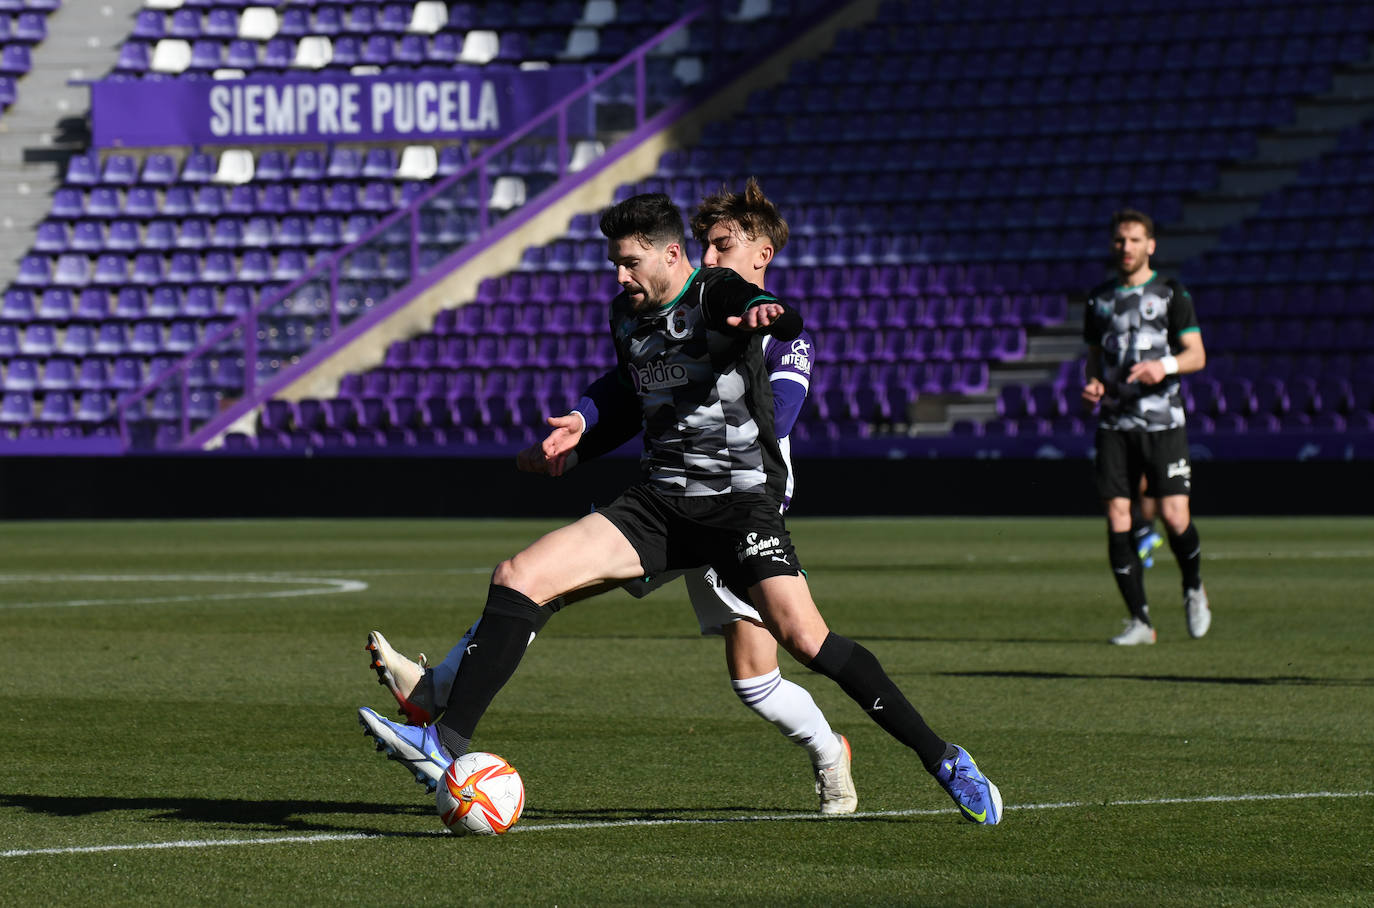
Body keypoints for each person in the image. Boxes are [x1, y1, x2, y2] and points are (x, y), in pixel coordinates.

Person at [358, 191, 1002, 824]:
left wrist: (766, 313)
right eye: (615, 262)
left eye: (631, 262)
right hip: (659, 505)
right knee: (521, 576)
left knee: (806, 642)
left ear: (671, 256)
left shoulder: (715, 294)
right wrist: (578, 436)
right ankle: (440, 741)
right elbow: (626, 396)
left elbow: (766, 313)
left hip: (740, 508)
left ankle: (942, 758)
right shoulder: (626, 315)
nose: (620, 275)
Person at [1081, 208, 1211, 646]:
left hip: (1163, 422)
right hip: (1115, 423)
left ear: (1150, 245)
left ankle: (1193, 588)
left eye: (1135, 240)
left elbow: (1197, 354)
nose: (1127, 248)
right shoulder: (1098, 299)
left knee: (1175, 517)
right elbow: (1095, 359)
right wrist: (1094, 385)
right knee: (1118, 517)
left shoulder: (1172, 293)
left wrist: (1165, 365)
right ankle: (1140, 620)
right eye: (1120, 240)